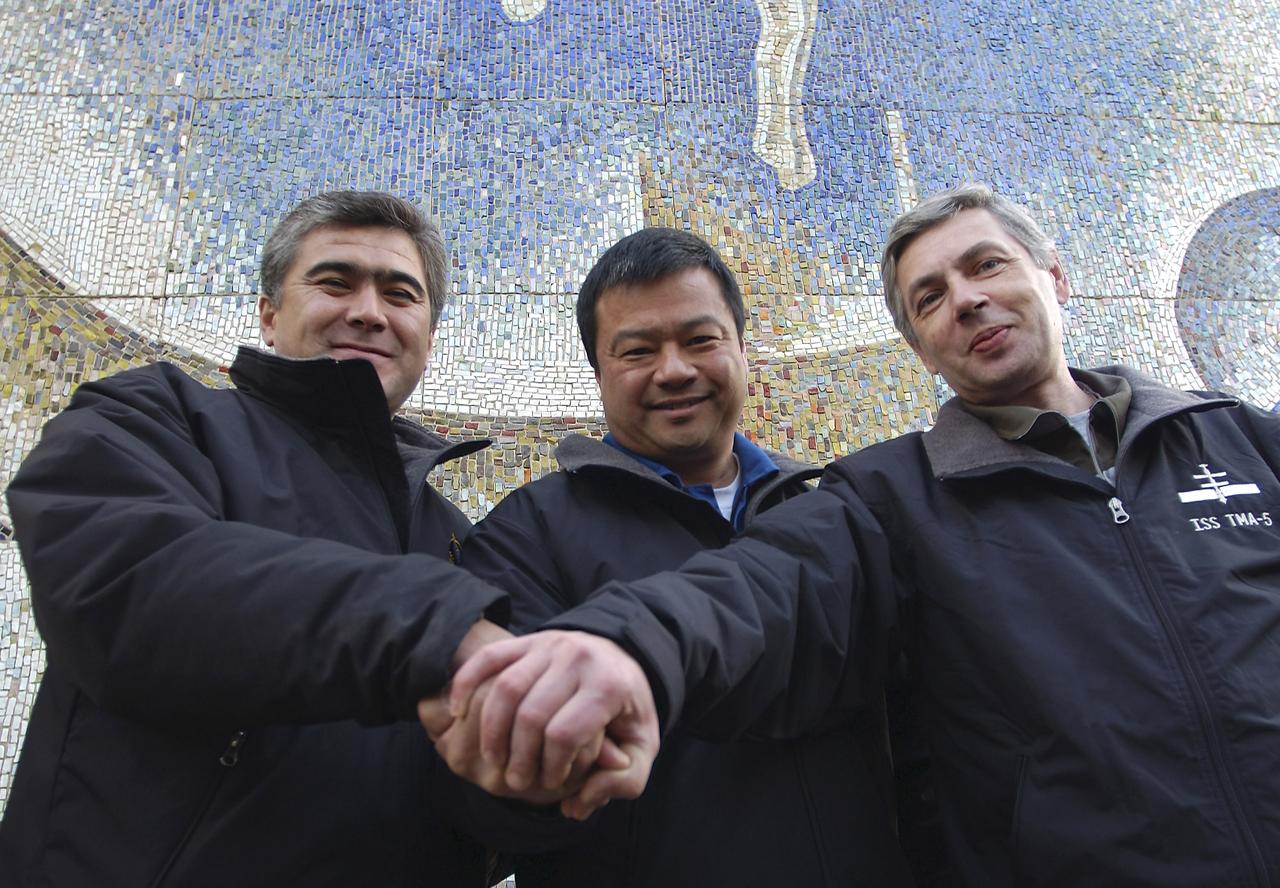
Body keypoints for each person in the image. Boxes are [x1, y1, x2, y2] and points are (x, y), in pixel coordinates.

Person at [450, 184, 1280, 886]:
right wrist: (612, 653)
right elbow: (760, 591)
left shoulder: (1246, 441)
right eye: (929, 296)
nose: (967, 299)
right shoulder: (885, 502)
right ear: (919, 345)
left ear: (1054, 277)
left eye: (987, 264)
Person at [0, 190, 651, 886]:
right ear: (269, 314)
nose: (368, 311)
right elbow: (126, 585)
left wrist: (539, 779)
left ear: (428, 336)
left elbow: (478, 821)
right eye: (335, 282)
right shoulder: (153, 420)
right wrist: (440, 633)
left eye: (401, 294)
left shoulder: (462, 544)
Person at [427, 227, 910, 886]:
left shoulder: (831, 510)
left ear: (743, 348)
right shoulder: (526, 534)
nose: (674, 369)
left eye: (700, 340)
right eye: (638, 350)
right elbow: (493, 795)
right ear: (599, 374)